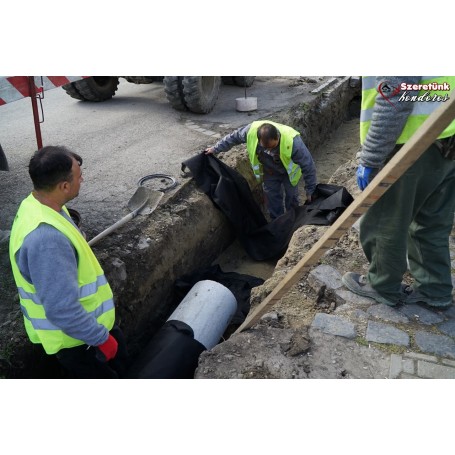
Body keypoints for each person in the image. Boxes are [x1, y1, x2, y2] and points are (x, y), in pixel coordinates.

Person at [9, 145, 129, 378]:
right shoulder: (47, 240)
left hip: (86, 332)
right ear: (64, 186)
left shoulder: (36, 203)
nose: (82, 179)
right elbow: (62, 309)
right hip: (79, 342)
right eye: (78, 175)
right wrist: (101, 339)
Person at [342, 76, 455, 308]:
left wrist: (372, 156)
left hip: (411, 144)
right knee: (432, 221)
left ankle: (382, 285)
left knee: (385, 221)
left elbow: (395, 91)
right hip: (448, 136)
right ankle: (436, 289)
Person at [205, 120, 317, 219]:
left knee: (291, 197)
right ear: (259, 140)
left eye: (273, 147)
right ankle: (277, 222)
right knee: (272, 198)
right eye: (266, 148)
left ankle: (293, 219)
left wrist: (310, 190)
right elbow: (233, 137)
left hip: (289, 173)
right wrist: (215, 148)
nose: (269, 150)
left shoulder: (293, 142)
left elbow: (308, 165)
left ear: (277, 137)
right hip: (270, 171)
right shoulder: (250, 132)